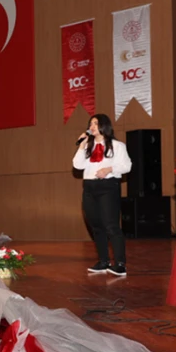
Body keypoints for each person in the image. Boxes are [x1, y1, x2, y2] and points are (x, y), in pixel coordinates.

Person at [73, 114, 132, 276]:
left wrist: (109, 169)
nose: (92, 126)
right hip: (90, 187)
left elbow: (126, 166)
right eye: (90, 123)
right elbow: (77, 165)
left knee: (111, 225)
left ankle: (120, 264)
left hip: (108, 186)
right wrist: (81, 145)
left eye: (95, 123)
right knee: (96, 226)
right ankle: (103, 261)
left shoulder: (117, 145)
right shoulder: (87, 146)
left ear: (104, 126)